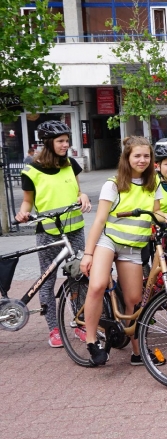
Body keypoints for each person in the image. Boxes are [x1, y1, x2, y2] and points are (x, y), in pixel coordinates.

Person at [79, 137, 163, 367]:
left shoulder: (154, 182)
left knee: (133, 301)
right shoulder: (113, 184)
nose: (142, 160)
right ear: (127, 157)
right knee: (97, 285)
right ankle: (92, 341)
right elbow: (99, 220)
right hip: (109, 241)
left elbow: (157, 212)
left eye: (146, 156)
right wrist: (88, 253)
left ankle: (137, 351)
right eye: (137, 156)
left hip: (134, 245)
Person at [15, 121, 92, 348]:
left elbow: (78, 191)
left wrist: (83, 196)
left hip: (75, 231)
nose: (65, 145)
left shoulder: (70, 164)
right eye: (60, 141)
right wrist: (22, 213)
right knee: (47, 281)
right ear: (48, 142)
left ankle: (79, 323)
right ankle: (54, 329)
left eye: (67, 141)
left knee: (78, 278)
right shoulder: (31, 170)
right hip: (48, 233)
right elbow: (27, 201)